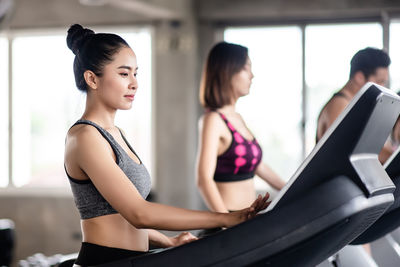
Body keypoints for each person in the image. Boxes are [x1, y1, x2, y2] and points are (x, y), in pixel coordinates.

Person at [64, 25, 270, 266]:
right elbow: (139, 213)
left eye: (136, 73)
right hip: (105, 261)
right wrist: (224, 218)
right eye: (124, 74)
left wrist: (168, 242)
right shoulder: (85, 137)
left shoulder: (115, 133)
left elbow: (119, 216)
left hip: (136, 257)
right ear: (92, 79)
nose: (134, 84)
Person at [195, 42, 284, 236]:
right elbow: (203, 179)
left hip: (248, 221)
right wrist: (226, 222)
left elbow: (257, 165)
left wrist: (292, 189)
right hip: (228, 224)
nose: (251, 75)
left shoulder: (238, 118)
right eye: (246, 68)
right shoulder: (213, 120)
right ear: (228, 71)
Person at [316, 47, 392, 162]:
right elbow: (343, 152)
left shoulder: (354, 105)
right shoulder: (340, 104)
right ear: (360, 77)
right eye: (379, 81)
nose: (382, 88)